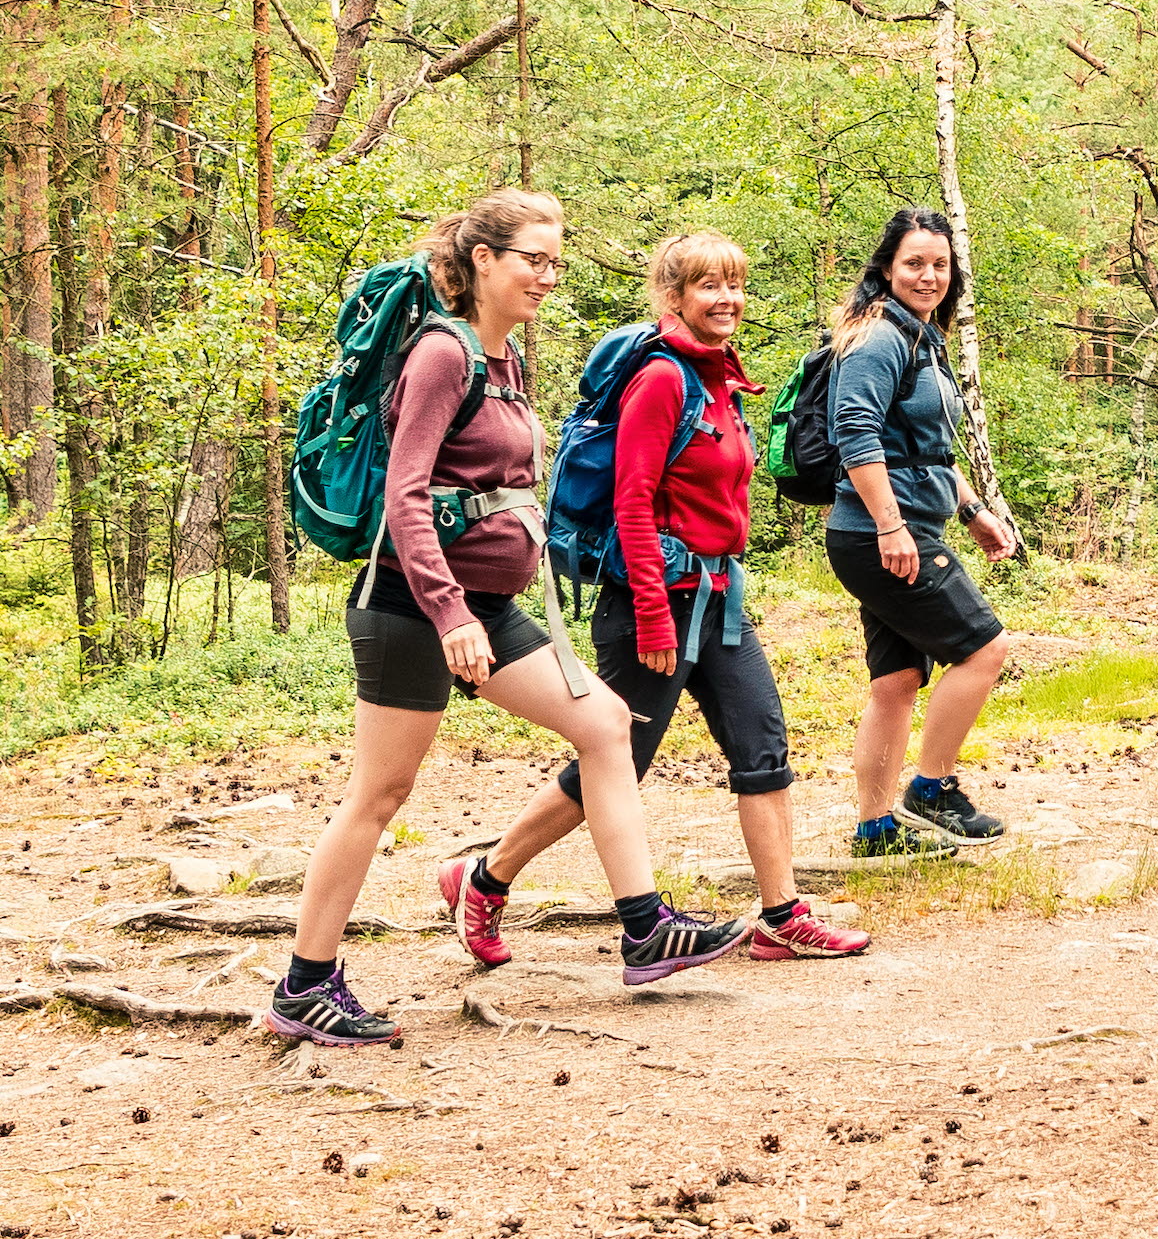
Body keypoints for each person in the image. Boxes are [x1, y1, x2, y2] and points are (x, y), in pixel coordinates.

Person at [270, 191, 747, 1049]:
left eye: (555, 260)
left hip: (487, 609)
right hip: (412, 606)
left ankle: (645, 927)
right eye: (533, 257)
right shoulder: (441, 356)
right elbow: (404, 498)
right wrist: (450, 612)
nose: (547, 274)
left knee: (605, 724)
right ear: (483, 258)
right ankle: (305, 983)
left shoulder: (507, 358)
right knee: (379, 794)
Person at [446, 232, 872, 968]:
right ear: (674, 297)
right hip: (656, 601)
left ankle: (782, 913)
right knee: (615, 763)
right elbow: (632, 501)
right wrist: (649, 609)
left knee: (761, 742)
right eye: (709, 286)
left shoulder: (720, 378)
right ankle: (483, 878)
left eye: (735, 284)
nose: (728, 299)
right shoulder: (663, 379)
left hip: (718, 595)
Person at [822, 207, 1018, 856]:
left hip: (892, 528)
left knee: (896, 681)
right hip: (881, 533)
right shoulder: (880, 337)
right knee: (984, 647)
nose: (929, 275)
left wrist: (972, 510)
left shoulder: (919, 338)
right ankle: (932, 790)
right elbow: (855, 432)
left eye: (940, 264)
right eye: (914, 263)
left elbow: (924, 450)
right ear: (886, 268)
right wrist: (892, 526)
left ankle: (876, 829)